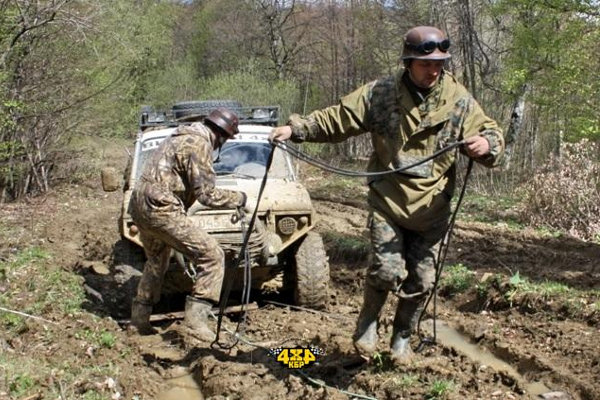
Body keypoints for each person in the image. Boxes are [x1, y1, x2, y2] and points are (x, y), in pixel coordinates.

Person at [270, 26, 504, 365]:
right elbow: (339, 118)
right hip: (389, 200)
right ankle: (367, 325)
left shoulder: (458, 99)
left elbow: (490, 133)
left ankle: (402, 338)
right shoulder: (380, 94)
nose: (433, 71)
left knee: (422, 280)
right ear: (408, 62)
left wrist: (486, 145)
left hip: (432, 207)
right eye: (426, 64)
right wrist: (297, 129)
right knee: (386, 270)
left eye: (439, 64)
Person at [129, 107, 247, 340]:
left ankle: (139, 320)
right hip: (162, 208)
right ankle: (195, 322)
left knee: (156, 260)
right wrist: (239, 199)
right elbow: (207, 195)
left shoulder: (178, 136)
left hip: (140, 206)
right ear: (222, 135)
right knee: (212, 255)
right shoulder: (199, 143)